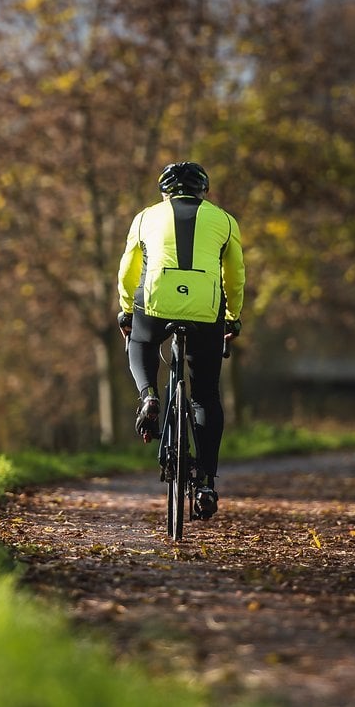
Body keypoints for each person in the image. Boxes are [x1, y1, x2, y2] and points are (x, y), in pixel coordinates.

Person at [116, 161, 245, 519]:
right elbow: (235, 275)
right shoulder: (225, 220)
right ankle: (205, 481)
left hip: (156, 300)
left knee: (140, 341)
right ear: (204, 191)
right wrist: (232, 316)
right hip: (206, 307)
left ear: (165, 192)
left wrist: (127, 310)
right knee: (205, 394)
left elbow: (128, 269)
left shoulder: (144, 217)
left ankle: (149, 396)